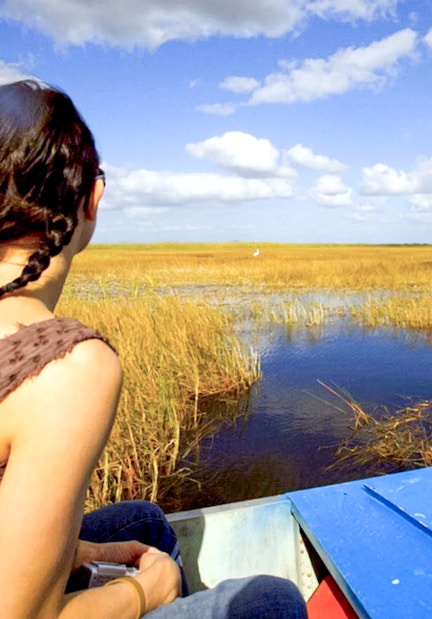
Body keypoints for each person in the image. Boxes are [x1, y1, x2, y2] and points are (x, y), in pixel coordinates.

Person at [0, 79, 307, 619]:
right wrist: (146, 592)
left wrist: (75, 553)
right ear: (91, 200)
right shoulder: (65, 365)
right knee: (270, 602)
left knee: (142, 521)